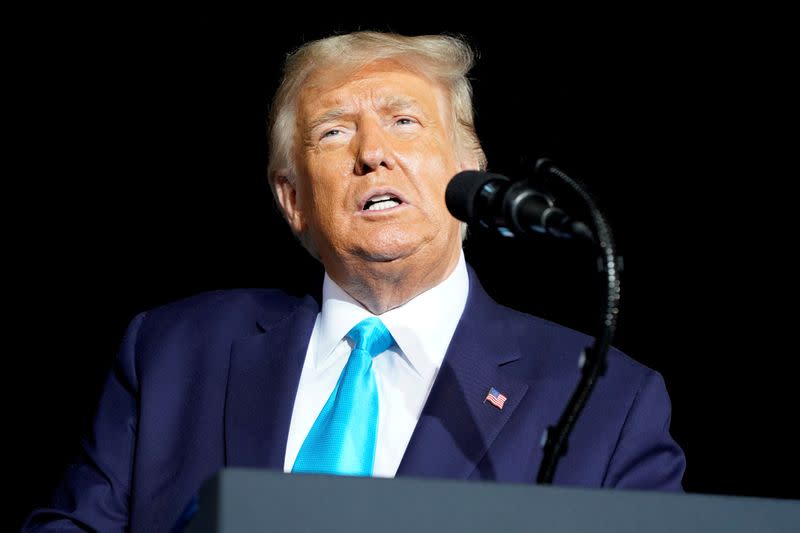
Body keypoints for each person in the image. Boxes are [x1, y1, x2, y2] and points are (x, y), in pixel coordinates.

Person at [24, 31, 685, 532]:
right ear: (293, 199)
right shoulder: (173, 351)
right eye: (334, 132)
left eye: (405, 121)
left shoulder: (606, 401)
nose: (373, 151)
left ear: (470, 168)